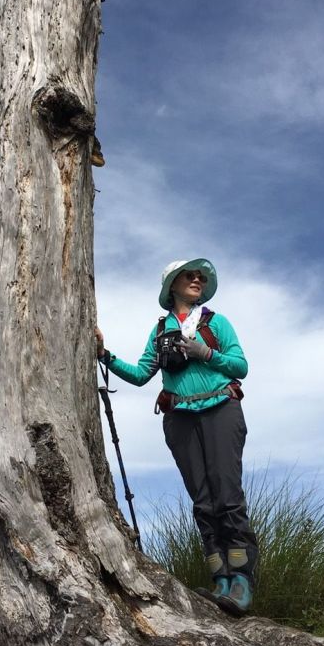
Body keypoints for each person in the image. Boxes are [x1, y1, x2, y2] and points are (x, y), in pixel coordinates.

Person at [96, 258, 258, 615]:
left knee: (227, 496)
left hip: (221, 410)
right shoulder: (160, 331)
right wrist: (104, 356)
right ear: (172, 285)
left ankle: (242, 581)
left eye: (201, 276)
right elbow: (141, 375)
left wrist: (206, 353)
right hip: (181, 418)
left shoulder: (216, 322)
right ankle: (220, 581)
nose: (197, 279)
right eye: (190, 274)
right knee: (203, 502)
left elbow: (240, 365)